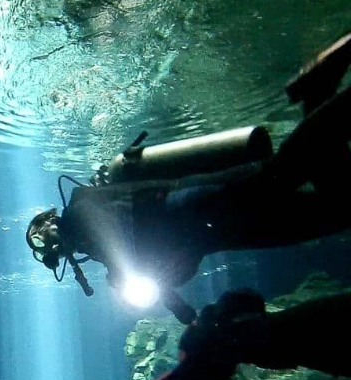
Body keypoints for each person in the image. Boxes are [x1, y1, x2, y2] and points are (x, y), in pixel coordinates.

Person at [27, 32, 351, 324]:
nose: (52, 247)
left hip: (197, 202)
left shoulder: (81, 207)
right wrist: (166, 295)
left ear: (50, 221)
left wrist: (156, 291)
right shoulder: (98, 251)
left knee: (282, 173)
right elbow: (159, 264)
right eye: (46, 251)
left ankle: (319, 89)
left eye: (43, 239)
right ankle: (319, 98)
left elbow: (115, 240)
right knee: (330, 215)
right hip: (219, 235)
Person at [114, 288, 351, 380]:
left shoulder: (221, 340)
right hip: (310, 336)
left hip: (311, 338)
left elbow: (195, 372)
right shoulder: (225, 340)